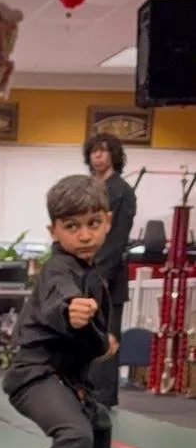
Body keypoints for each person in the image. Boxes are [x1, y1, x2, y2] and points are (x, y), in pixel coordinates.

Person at [1, 175, 118, 448]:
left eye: (93, 224)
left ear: (108, 222)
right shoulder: (60, 270)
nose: (84, 235)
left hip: (68, 380)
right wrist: (71, 310)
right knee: (74, 435)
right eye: (72, 227)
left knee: (97, 425)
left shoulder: (93, 271)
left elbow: (94, 338)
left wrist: (103, 342)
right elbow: (59, 298)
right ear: (54, 230)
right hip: (34, 376)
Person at [83, 132, 137, 407]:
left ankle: (105, 394)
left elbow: (118, 238)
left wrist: (99, 273)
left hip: (109, 275)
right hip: (83, 270)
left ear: (114, 155)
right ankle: (85, 388)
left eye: (103, 151)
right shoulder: (86, 189)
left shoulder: (124, 192)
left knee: (107, 335)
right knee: (85, 334)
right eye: (94, 151)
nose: (98, 156)